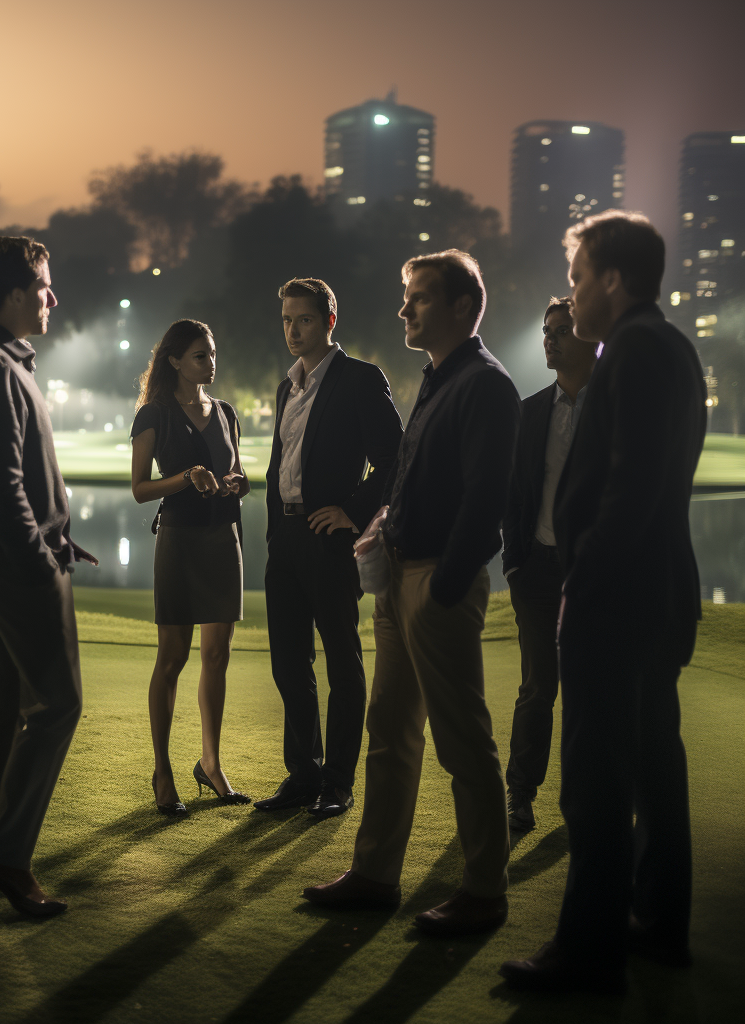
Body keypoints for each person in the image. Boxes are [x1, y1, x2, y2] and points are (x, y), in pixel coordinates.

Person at [502, 211, 707, 993]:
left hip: (618, 600)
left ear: (613, 280)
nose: (573, 293)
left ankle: (589, 952)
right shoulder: (667, 347)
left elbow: (631, 488)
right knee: (655, 764)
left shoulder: (636, 350)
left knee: (595, 777)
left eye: (579, 277)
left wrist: (581, 580)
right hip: (654, 594)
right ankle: (657, 926)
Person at [304, 250, 521, 937]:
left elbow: (490, 502)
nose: (404, 310)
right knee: (389, 731)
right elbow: (411, 480)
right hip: (400, 574)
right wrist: (380, 525)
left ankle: (484, 890)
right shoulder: (436, 379)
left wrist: (446, 588)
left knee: (462, 740)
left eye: (419, 299)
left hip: (438, 582)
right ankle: (375, 874)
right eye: (406, 299)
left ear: (463, 306)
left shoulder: (486, 385)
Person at [0, 236, 98, 918]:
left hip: (6, 555)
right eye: (42, 287)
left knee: (3, 703)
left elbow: (14, 481)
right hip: (15, 563)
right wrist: (41, 560)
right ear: (11, 296)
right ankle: (6, 856)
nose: (52, 298)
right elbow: (3, 490)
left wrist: (61, 536)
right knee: (57, 703)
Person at [254, 278, 403, 819]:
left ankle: (337, 782)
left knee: (342, 662)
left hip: (329, 539)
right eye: (287, 320)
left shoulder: (359, 379)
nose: (294, 330)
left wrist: (354, 512)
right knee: (289, 665)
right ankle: (303, 775)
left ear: (329, 322)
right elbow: (280, 468)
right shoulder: (286, 386)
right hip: (286, 542)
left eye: (305, 320)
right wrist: (274, 533)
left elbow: (394, 459)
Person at [130, 319, 252, 814]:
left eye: (213, 354)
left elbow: (237, 470)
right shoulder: (153, 414)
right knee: (173, 657)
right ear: (175, 361)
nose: (211, 363)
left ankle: (211, 763)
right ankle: (162, 771)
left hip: (224, 538)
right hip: (179, 541)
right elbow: (139, 489)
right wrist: (186, 477)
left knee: (217, 655)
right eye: (201, 355)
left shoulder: (224, 412)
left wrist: (238, 483)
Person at [501, 296, 597, 833]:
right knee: (538, 687)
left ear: (590, 338)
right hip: (536, 570)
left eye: (562, 330)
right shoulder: (531, 410)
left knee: (591, 689)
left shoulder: (614, 405)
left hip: (594, 575)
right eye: (547, 331)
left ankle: (587, 797)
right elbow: (513, 494)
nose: (551, 339)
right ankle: (519, 794)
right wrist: (515, 562)